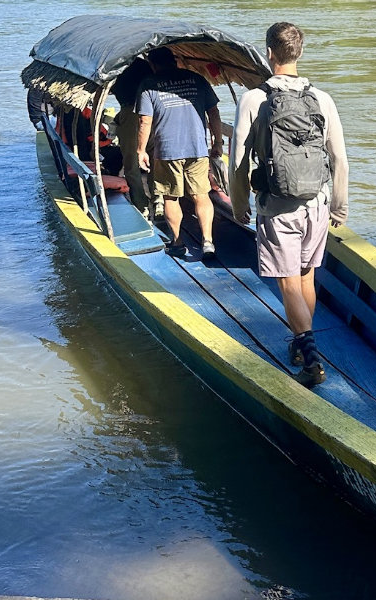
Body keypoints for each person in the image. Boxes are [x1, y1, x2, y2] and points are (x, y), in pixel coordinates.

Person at [230, 21, 348, 387]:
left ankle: (311, 360)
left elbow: (237, 161)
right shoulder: (322, 99)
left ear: (268, 53)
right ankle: (301, 344)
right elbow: (339, 160)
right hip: (317, 201)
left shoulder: (254, 98)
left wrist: (238, 205)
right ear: (300, 52)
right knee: (306, 275)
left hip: (278, 206)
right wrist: (339, 207)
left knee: (287, 283)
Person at [136, 47, 223, 264]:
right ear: (174, 61)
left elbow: (144, 121)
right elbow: (213, 112)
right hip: (198, 148)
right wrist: (217, 142)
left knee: (170, 196)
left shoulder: (148, 84)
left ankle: (177, 243)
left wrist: (140, 150)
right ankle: (208, 241)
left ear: (153, 64)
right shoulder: (197, 79)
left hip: (167, 150)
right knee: (201, 195)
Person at [111, 56, 154, 213]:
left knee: (131, 161)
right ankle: (159, 198)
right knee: (155, 156)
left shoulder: (117, 67)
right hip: (153, 113)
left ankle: (140, 204)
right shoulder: (145, 65)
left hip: (130, 112)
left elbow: (114, 89)